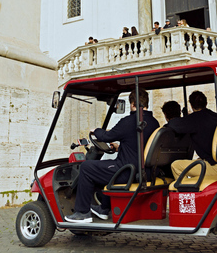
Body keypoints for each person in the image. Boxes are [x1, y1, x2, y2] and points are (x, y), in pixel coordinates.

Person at [65, 89, 159, 223]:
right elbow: (139, 145)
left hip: (127, 170)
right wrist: (119, 147)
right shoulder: (154, 122)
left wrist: (96, 130)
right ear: (146, 103)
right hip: (143, 170)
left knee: (86, 167)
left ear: (132, 104)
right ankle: (104, 209)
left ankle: (82, 212)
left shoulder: (129, 121)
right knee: (107, 167)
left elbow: (107, 136)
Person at [167, 91, 217, 180]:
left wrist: (186, 117)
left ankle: (186, 192)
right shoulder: (216, 116)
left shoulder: (194, 119)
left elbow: (172, 124)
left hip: (214, 166)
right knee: (198, 160)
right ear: (206, 103)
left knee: (175, 166)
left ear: (191, 105)